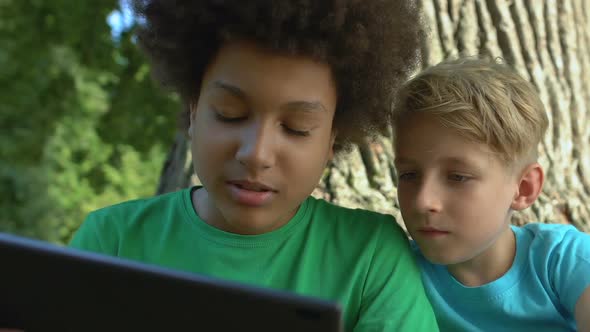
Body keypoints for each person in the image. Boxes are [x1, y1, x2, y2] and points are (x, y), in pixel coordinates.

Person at [68, 1, 438, 331]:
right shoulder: (111, 241)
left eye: (296, 128)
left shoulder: (371, 258)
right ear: (194, 111)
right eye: (230, 115)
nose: (257, 154)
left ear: (331, 141)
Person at [391, 57, 590, 331]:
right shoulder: (397, 270)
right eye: (409, 175)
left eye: (458, 177)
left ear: (523, 189)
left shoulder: (564, 259)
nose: (423, 201)